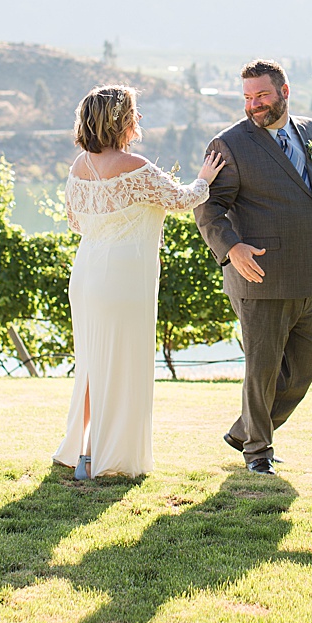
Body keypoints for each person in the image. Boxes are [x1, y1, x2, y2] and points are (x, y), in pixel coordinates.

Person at [195, 60, 312, 475]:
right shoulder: (228, 145)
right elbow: (209, 206)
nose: (254, 105)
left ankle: (245, 430)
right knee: (261, 370)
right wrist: (232, 249)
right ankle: (257, 452)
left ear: (284, 92)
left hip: (309, 271)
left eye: (261, 95)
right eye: (247, 97)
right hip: (258, 275)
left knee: (308, 361)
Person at [53, 84, 226, 479]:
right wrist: (204, 178)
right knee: (125, 364)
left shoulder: (78, 167)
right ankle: (112, 459)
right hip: (125, 277)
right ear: (121, 120)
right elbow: (183, 200)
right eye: (134, 111)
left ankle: (83, 452)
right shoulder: (136, 167)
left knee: (93, 365)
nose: (139, 119)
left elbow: (75, 222)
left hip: (86, 275)